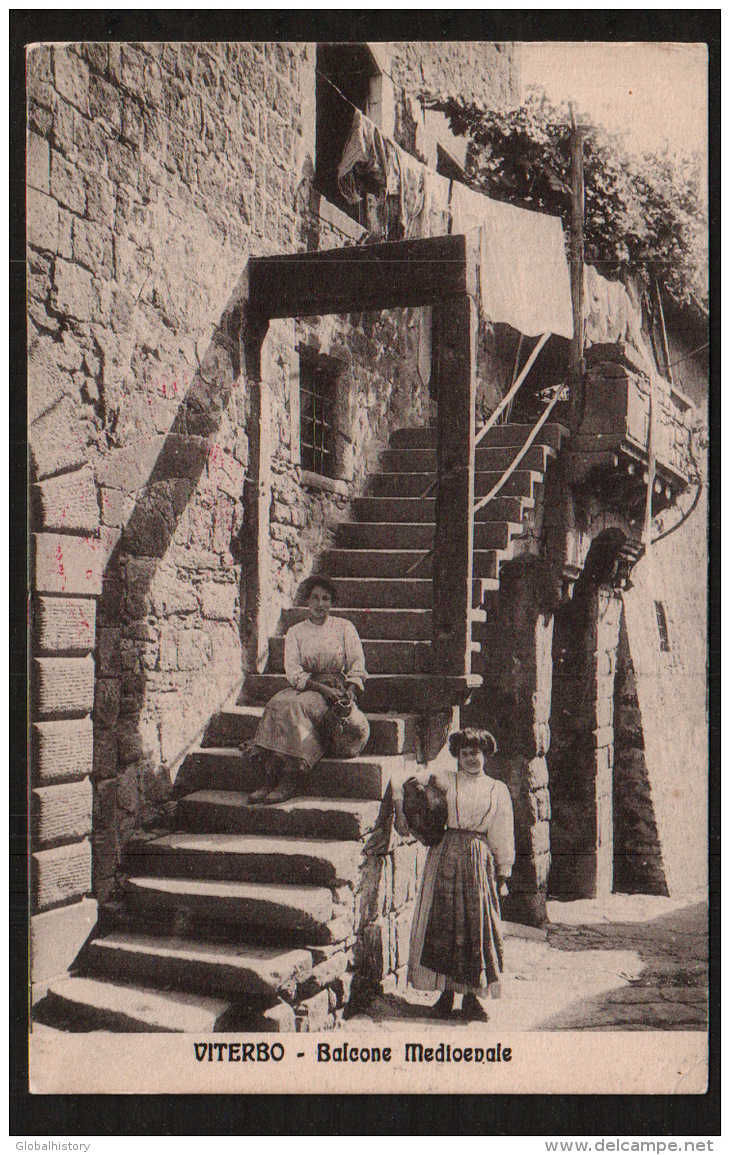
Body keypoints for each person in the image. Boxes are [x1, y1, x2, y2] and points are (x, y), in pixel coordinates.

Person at [393, 727, 515, 1020]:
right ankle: (444, 995)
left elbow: (502, 831)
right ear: (457, 757)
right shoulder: (446, 779)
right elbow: (400, 780)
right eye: (464, 754)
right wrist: (400, 812)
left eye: (476, 753)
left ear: (485, 755)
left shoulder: (497, 789)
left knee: (476, 925)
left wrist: (503, 872)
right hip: (445, 854)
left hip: (478, 859)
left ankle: (472, 998)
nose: (471, 759)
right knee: (443, 922)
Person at [246, 576, 367, 805]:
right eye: (315, 598)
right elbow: (292, 671)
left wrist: (350, 690)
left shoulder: (344, 627)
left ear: (332, 603)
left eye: (326, 599)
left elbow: (357, 665)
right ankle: (270, 777)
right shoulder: (295, 632)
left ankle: (291, 777)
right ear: (306, 601)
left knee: (296, 707)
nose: (320, 604)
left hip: (333, 688)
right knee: (276, 703)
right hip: (308, 684)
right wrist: (317, 687)